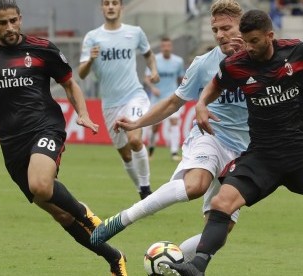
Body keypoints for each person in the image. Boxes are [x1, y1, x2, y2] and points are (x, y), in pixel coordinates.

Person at [160, 9, 303, 276]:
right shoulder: (236, 64)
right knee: (221, 203)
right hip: (262, 155)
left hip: (302, 153)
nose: (248, 48)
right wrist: (201, 104)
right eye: (245, 40)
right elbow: (216, 83)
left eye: (254, 41)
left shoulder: (298, 52)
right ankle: (197, 267)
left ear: (270, 36)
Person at [0, 1, 127, 275]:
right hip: (11, 143)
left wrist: (83, 113)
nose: (10, 27)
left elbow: (69, 83)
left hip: (45, 127)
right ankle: (114, 258)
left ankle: (89, 217)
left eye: (14, 20)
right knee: (59, 213)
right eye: (3, 23)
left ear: (20, 18)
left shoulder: (42, 49)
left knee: (40, 184)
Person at [89, 0, 249, 262]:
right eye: (215, 30)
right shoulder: (204, 63)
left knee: (218, 234)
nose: (220, 35)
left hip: (242, 152)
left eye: (226, 28)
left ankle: (174, 264)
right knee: (195, 185)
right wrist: (137, 124)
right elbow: (174, 102)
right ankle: (123, 219)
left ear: (241, 27)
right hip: (210, 137)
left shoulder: (262, 60)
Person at [78, 0, 159, 200]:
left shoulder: (135, 32)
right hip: (110, 104)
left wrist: (154, 70)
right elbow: (81, 74)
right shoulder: (92, 37)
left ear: (121, 7)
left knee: (134, 139)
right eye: (107, 3)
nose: (111, 6)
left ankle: (147, 187)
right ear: (102, 8)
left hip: (134, 96)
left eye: (115, 3)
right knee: (125, 154)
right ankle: (141, 190)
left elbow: (148, 55)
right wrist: (90, 60)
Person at [144, 36, 185, 161]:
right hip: (157, 98)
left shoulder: (178, 61)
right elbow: (146, 77)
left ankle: (174, 152)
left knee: (174, 122)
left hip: (172, 97)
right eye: (164, 46)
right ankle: (151, 148)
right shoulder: (154, 59)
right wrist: (152, 88)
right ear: (161, 47)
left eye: (168, 46)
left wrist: (181, 92)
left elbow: (181, 78)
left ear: (171, 47)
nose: (166, 48)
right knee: (155, 126)